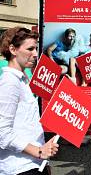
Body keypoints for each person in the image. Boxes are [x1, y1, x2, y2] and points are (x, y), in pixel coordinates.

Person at [0, 27, 59, 175]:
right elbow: (2, 133)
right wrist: (38, 151)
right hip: (19, 167)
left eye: (36, 49)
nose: (35, 54)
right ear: (13, 50)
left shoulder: (23, 78)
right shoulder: (9, 82)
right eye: (30, 49)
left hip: (33, 164)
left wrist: (42, 158)